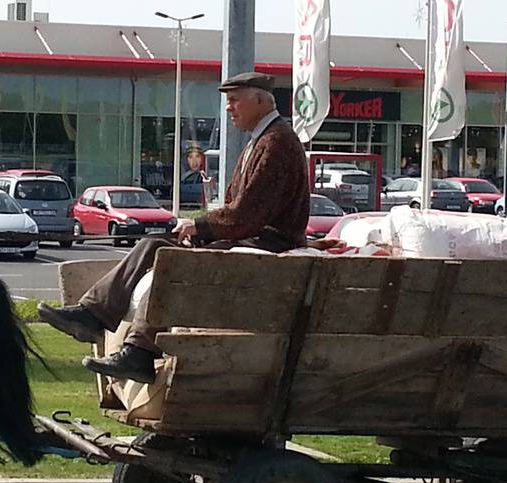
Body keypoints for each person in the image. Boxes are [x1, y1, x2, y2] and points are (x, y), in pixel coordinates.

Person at [38, 71, 310, 383]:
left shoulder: (276, 143)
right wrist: (202, 227)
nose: (228, 108)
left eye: (234, 100)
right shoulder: (265, 139)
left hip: (265, 246)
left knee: (177, 262)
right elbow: (243, 212)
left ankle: (139, 351)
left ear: (260, 100)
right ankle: (93, 314)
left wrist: (201, 227)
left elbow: (248, 214)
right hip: (249, 240)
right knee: (154, 244)